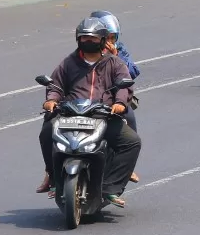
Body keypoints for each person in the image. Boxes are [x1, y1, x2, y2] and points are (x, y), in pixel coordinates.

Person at [37, 17, 141, 208]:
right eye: (84, 38)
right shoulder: (68, 62)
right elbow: (56, 85)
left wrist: (119, 103)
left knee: (131, 142)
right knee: (46, 132)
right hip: (70, 114)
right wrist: (51, 100)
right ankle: (53, 176)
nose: (88, 42)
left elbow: (124, 85)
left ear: (102, 40)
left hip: (104, 115)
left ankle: (110, 188)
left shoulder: (114, 63)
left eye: (93, 39)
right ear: (78, 39)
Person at [90, 10, 141, 183]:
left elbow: (132, 72)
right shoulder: (87, 51)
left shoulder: (120, 51)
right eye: (107, 38)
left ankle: (128, 166)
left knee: (130, 119)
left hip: (113, 98)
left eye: (113, 38)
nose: (110, 42)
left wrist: (116, 57)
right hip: (87, 99)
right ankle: (51, 173)